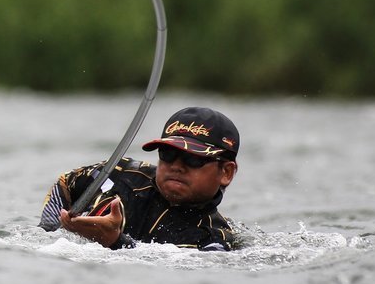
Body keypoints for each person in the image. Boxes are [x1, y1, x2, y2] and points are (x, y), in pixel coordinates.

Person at [39, 107, 240, 250]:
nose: (176, 166)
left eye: (192, 158)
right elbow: (65, 181)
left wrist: (114, 241)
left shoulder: (214, 240)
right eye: (168, 154)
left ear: (226, 173)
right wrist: (51, 232)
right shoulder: (120, 173)